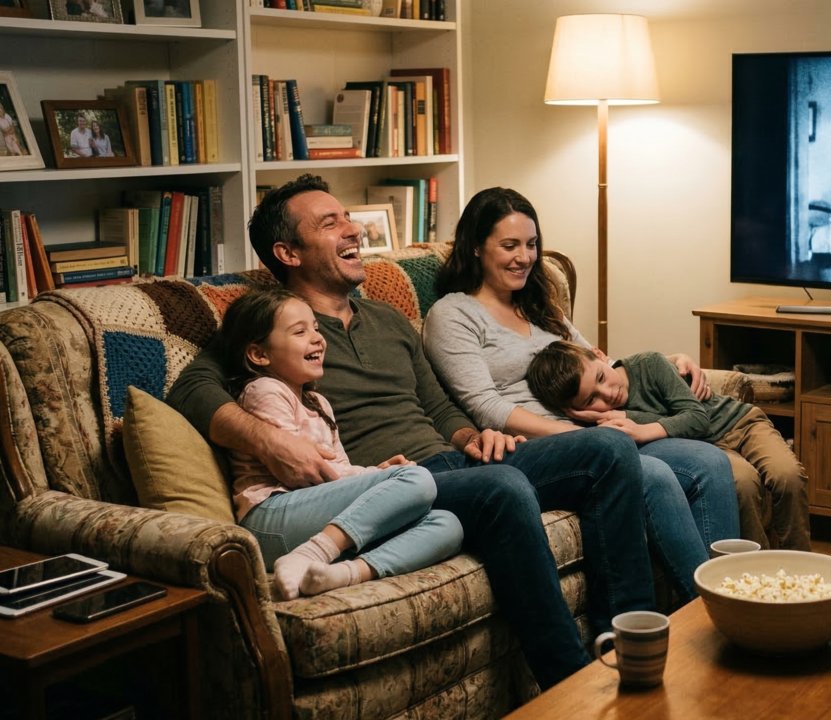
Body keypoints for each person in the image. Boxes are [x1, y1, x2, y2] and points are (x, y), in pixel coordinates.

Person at [168, 174, 656, 691]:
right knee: (505, 488)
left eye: (348, 217)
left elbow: (438, 407)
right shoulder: (278, 328)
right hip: (389, 483)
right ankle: (568, 686)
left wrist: (471, 437)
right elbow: (190, 389)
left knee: (608, 448)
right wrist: (269, 440)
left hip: (458, 465)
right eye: (330, 223)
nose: (352, 229)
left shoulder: (388, 318)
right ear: (288, 252)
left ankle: (628, 648)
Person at [422, 187, 739, 605]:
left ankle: (735, 599)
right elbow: (486, 406)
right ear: (477, 248)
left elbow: (598, 362)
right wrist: (575, 436)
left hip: (599, 434)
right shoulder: (454, 314)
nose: (525, 257)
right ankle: (707, 612)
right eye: (509, 245)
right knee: (658, 476)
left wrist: (669, 360)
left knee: (710, 462)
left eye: (532, 244)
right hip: (550, 447)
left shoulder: (540, 305)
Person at [219, 287, 463, 601]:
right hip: (270, 517)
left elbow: (340, 469)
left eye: (317, 329)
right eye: (299, 331)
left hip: (312, 520)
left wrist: (376, 474)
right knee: (418, 480)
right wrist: (379, 479)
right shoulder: (264, 390)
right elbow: (302, 474)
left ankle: (340, 574)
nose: (318, 338)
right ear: (259, 354)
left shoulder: (318, 402)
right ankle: (311, 553)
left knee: (447, 523)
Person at [528, 341, 811, 551]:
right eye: (591, 400)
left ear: (601, 355)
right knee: (743, 484)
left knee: (787, 475)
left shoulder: (649, 364)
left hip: (739, 423)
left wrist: (634, 422)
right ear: (574, 412)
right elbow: (687, 436)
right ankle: (758, 576)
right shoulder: (601, 425)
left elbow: (697, 418)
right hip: (708, 447)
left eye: (601, 377)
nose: (608, 393)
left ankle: (802, 568)